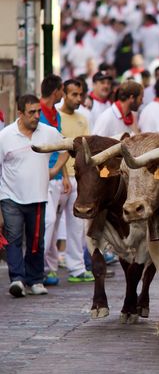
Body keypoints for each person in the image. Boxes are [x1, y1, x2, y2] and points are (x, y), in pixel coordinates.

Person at [0, 95, 67, 297]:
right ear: (20, 113)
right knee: (14, 238)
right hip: (10, 195)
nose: (37, 116)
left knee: (36, 240)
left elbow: (66, 148)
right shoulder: (5, 136)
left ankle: (35, 279)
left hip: (38, 195)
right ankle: (18, 279)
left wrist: (55, 170)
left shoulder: (48, 133)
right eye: (31, 112)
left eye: (38, 111)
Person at [56, 80, 94, 283]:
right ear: (63, 93)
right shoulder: (56, 116)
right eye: (74, 94)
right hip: (60, 177)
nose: (78, 99)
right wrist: (63, 175)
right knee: (51, 224)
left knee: (78, 225)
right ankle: (48, 268)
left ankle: (77, 268)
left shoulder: (83, 118)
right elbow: (58, 148)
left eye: (80, 95)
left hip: (79, 178)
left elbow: (87, 151)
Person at [40, 75, 72, 286]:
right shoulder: (38, 112)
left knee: (54, 223)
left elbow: (61, 146)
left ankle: (49, 268)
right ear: (57, 92)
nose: (63, 94)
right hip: (43, 177)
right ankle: (39, 266)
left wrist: (65, 175)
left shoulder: (55, 116)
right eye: (63, 90)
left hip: (57, 176)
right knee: (49, 221)